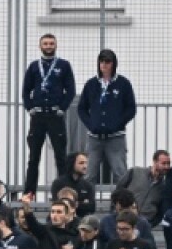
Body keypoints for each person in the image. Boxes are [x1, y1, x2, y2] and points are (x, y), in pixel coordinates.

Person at [21, 34, 77, 196]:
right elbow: (25, 90)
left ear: (56, 45)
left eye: (51, 43)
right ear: (40, 46)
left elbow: (71, 90)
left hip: (55, 115)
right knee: (33, 158)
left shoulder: (63, 65)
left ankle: (63, 192)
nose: (48, 46)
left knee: (60, 156)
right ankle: (29, 192)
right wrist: (30, 108)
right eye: (45, 43)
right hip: (37, 116)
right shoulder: (33, 66)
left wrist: (62, 108)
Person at [76, 49, 137, 186]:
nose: (104, 64)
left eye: (108, 61)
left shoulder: (123, 84)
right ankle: (87, 205)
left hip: (116, 138)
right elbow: (81, 108)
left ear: (114, 64)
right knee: (89, 174)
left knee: (120, 173)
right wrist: (91, 124)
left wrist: (118, 124)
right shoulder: (91, 84)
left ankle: (120, 205)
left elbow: (131, 108)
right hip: (94, 138)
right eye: (102, 61)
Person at [114, 149, 172, 225]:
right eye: (164, 163)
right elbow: (118, 191)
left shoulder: (164, 187)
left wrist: (150, 224)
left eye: (168, 164)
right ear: (154, 162)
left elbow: (160, 211)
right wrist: (114, 212)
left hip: (144, 224)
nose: (167, 167)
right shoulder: (135, 172)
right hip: (124, 220)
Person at [50, 152, 96, 218]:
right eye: (81, 163)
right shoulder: (58, 183)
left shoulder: (87, 185)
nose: (85, 166)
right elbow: (58, 205)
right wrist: (82, 203)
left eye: (86, 163)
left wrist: (71, 203)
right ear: (72, 164)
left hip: (81, 221)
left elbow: (92, 207)